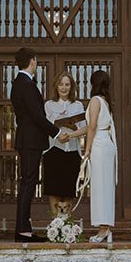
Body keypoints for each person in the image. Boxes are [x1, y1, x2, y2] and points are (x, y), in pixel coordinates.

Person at [8, 47, 58, 242]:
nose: (36, 64)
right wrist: (57, 131)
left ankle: (23, 229)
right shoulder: (25, 84)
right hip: (30, 141)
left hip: (28, 140)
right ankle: (22, 231)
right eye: (36, 61)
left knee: (27, 182)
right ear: (32, 61)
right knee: (28, 183)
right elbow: (37, 116)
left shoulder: (20, 83)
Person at [42, 73, 85, 219]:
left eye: (67, 84)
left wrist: (72, 131)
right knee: (53, 189)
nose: (64, 87)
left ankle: (68, 226)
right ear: (56, 86)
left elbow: (84, 129)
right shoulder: (49, 105)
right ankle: (55, 225)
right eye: (61, 84)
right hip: (53, 150)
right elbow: (45, 126)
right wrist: (58, 131)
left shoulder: (78, 105)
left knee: (68, 190)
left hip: (72, 151)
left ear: (71, 86)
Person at [81, 69, 117, 243]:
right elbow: (90, 126)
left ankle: (103, 230)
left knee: (100, 187)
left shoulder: (95, 100)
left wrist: (87, 149)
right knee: (105, 186)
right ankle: (106, 228)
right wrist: (70, 135)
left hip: (99, 144)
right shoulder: (105, 102)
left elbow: (92, 126)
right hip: (105, 142)